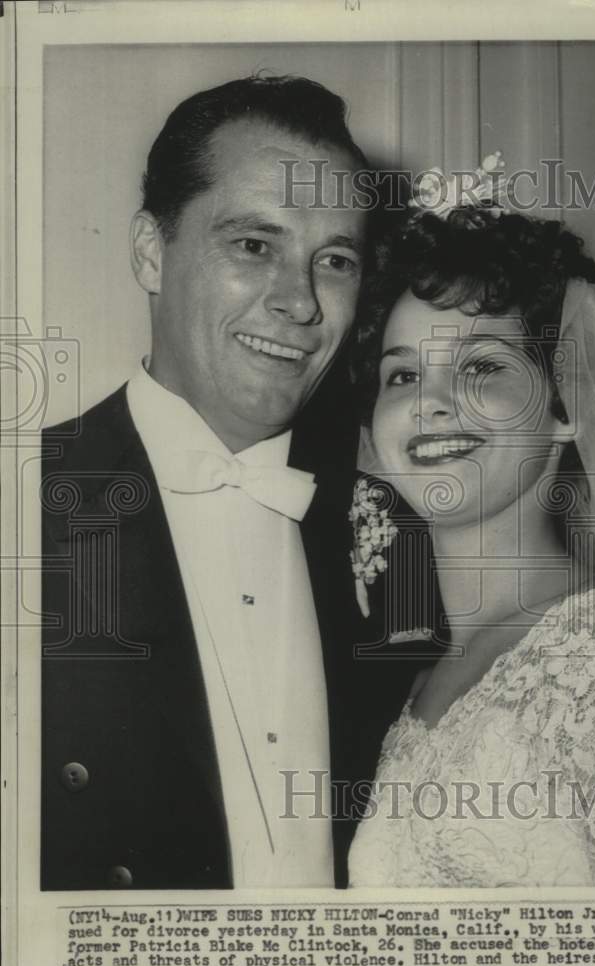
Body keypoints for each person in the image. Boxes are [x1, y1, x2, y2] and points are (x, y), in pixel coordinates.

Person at [40, 74, 422, 891]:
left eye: (335, 260)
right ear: (151, 251)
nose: (300, 302)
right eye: (254, 245)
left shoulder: (393, 530)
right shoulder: (25, 504)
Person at [346, 181, 595, 887]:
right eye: (402, 374)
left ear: (565, 405)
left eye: (482, 366)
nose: (429, 402)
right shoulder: (425, 676)